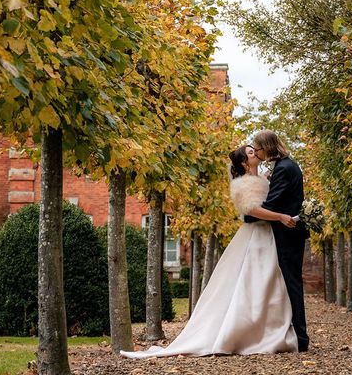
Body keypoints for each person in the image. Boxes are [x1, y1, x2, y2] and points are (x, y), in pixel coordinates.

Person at [120, 145, 298, 358]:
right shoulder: (242, 184)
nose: (256, 153)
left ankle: (266, 330)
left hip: (268, 236)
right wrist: (279, 216)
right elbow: (251, 211)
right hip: (255, 236)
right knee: (255, 280)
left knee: (267, 283)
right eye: (251, 153)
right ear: (243, 163)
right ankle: (243, 333)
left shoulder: (263, 179)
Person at [245, 130, 310, 352]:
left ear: (267, 148)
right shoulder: (286, 166)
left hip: (288, 234)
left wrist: (250, 214)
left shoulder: (284, 169)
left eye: (258, 149)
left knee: (292, 283)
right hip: (287, 233)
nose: (258, 153)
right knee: (287, 283)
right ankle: (290, 333)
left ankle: (301, 338)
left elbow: (272, 204)